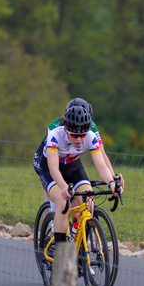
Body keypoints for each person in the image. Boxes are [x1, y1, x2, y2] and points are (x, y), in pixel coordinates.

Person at [33, 103, 123, 244]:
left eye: (82, 135)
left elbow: (100, 165)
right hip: (49, 166)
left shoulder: (90, 136)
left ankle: (78, 238)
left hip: (72, 165)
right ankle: (62, 255)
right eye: (75, 135)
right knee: (63, 203)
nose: (79, 139)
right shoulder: (56, 134)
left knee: (89, 200)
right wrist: (63, 186)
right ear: (66, 130)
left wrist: (112, 182)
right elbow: (53, 169)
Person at [33, 98, 125, 192]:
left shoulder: (91, 126)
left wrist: (112, 176)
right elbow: (53, 161)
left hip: (69, 160)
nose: (80, 125)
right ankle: (51, 205)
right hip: (45, 157)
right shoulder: (55, 126)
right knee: (56, 191)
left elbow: (101, 153)